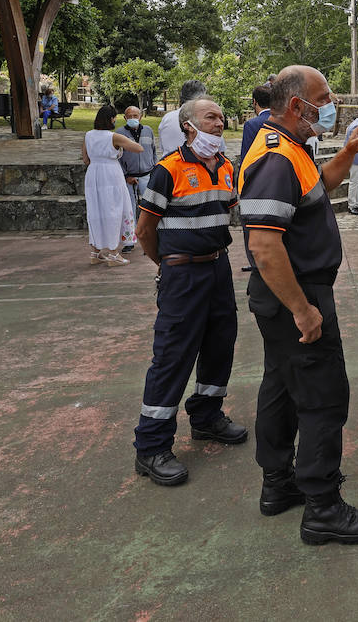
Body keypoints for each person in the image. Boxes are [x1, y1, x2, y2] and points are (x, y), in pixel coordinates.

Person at [239, 65, 358, 545]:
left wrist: (349, 151)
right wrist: (303, 309)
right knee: (323, 397)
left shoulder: (293, 147)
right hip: (294, 295)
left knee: (281, 387)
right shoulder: (275, 157)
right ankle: (323, 506)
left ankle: (278, 483)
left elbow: (319, 185)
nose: (331, 106)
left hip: (289, 294)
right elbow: (264, 246)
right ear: (297, 105)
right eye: (324, 99)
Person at [132, 97, 248, 486]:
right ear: (188, 126)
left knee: (220, 344)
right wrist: (167, 264)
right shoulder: (168, 169)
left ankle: (207, 416)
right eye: (210, 117)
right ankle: (151, 447)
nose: (219, 123)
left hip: (218, 268)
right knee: (173, 355)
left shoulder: (227, 167)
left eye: (221, 117)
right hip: (183, 273)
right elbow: (145, 230)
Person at [82, 105, 143, 265]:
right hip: (110, 174)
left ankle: (95, 252)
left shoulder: (88, 135)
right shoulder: (114, 137)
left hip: (93, 174)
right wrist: (122, 144)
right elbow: (138, 148)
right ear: (111, 119)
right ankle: (114, 254)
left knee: (96, 211)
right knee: (113, 210)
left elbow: (86, 159)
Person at [116, 106, 158, 252]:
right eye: (130, 116)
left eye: (135, 115)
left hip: (147, 175)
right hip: (129, 177)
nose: (133, 118)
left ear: (140, 117)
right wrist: (126, 175)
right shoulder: (119, 133)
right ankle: (129, 241)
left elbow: (153, 151)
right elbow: (117, 157)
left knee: (150, 208)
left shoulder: (148, 130)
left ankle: (151, 238)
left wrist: (155, 168)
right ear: (125, 118)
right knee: (129, 209)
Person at [236, 84, 274, 171]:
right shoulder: (281, 121)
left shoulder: (251, 124)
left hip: (259, 172)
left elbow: (246, 155)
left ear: (254, 102)